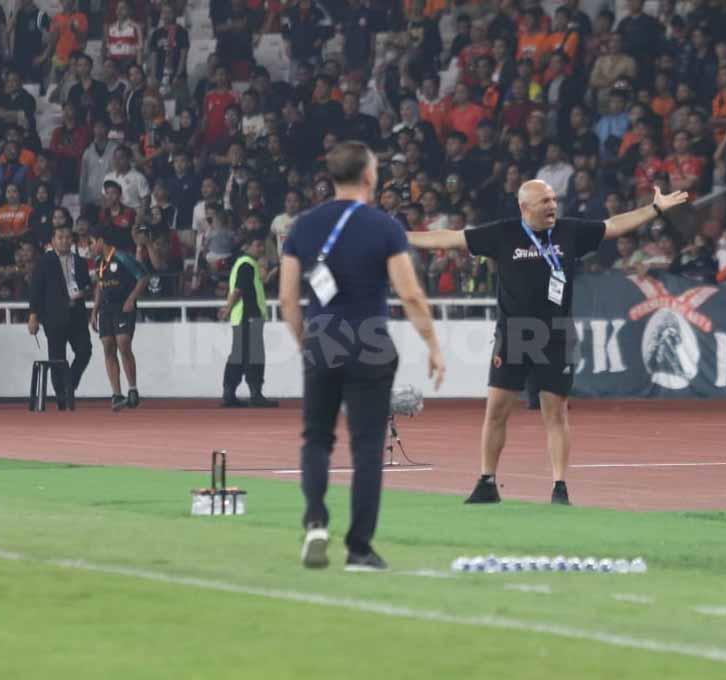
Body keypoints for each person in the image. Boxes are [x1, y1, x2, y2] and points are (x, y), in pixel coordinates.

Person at [408, 181, 688, 505]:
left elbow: (613, 226)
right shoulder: (503, 233)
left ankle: (559, 486)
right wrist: (401, 237)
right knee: (496, 410)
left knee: (554, 413)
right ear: (525, 207)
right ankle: (487, 481)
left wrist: (654, 209)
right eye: (544, 201)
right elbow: (451, 238)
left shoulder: (569, 232)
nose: (552, 206)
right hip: (513, 334)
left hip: (555, 333)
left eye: (554, 199)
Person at [279, 141, 444, 572]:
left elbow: (287, 300)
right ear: (369, 176)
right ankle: (359, 547)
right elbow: (409, 292)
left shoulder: (302, 226)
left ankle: (315, 520)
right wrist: (433, 345)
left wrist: (306, 341)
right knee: (367, 448)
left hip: (323, 338)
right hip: (370, 340)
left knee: (316, 437)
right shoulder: (385, 226)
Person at [28, 222, 93, 406]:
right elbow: (35, 290)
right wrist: (33, 315)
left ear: (72, 240)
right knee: (57, 358)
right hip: (54, 316)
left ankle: (69, 385)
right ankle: (61, 397)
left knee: (84, 351)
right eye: (60, 238)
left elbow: (87, 285)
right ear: (53, 240)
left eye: (67, 238)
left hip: (77, 315)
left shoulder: (80, 262)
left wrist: (83, 291)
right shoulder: (44, 261)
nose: (64, 241)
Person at [90, 226, 148, 411]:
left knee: (123, 343)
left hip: (123, 305)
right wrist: (94, 311)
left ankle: (133, 389)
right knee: (108, 346)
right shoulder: (99, 262)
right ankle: (116, 394)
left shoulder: (123, 257)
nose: (90, 247)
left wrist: (131, 299)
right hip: (106, 309)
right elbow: (99, 286)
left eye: (91, 242)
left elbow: (143, 277)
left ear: (100, 241)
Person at [219, 237, 278, 408]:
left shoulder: (243, 264)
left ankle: (229, 393)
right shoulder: (247, 264)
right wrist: (228, 308)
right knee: (255, 355)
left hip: (242, 316)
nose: (261, 249)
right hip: (249, 315)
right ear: (247, 247)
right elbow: (238, 290)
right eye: (258, 244)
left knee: (238, 355)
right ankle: (255, 394)